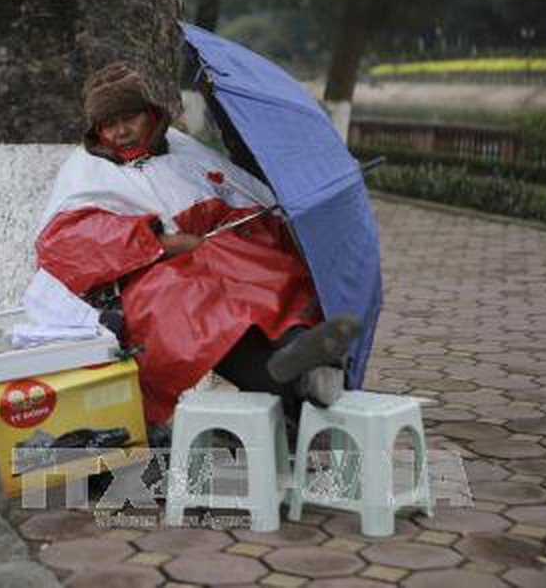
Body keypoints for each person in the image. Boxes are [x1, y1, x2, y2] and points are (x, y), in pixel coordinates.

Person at [31, 61, 359, 425]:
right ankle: (303, 374)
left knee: (265, 275)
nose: (121, 131)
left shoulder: (183, 149)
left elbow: (240, 198)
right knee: (203, 313)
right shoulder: (85, 169)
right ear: (96, 130)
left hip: (212, 256)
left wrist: (232, 235)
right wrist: (161, 242)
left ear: (150, 114)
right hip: (145, 278)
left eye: (130, 118)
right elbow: (68, 241)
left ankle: (302, 351)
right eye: (109, 124)